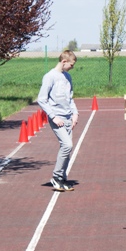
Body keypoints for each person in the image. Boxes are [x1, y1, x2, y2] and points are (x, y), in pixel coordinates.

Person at [37, 50, 79, 191]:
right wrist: (53, 116)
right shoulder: (50, 77)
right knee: (67, 145)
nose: (72, 67)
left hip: (68, 117)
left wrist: (75, 114)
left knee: (67, 149)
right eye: (71, 65)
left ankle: (62, 178)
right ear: (64, 62)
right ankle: (56, 177)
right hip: (57, 118)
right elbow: (42, 99)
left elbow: (70, 98)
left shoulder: (68, 77)